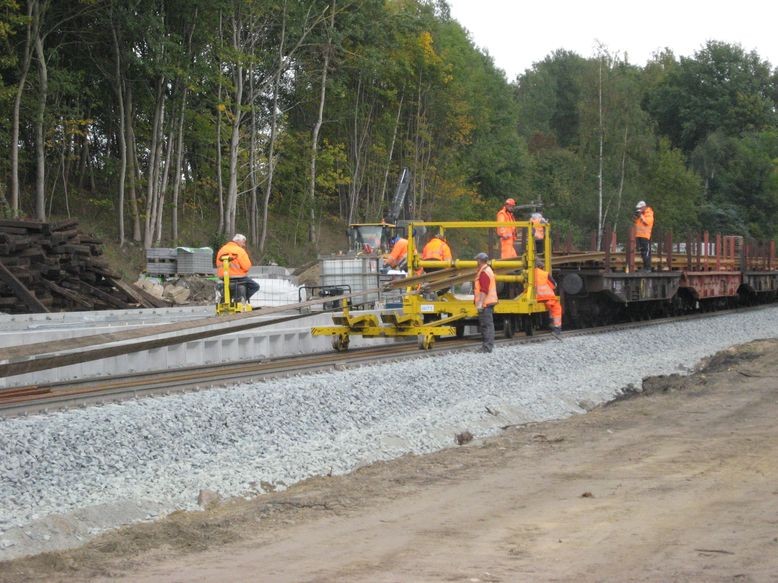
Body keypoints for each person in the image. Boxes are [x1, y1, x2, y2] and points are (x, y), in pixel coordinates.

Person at [215, 233, 259, 302]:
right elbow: (247, 266)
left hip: (223, 277)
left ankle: (227, 299)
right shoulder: (239, 250)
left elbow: (218, 264)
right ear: (238, 241)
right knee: (255, 286)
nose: (244, 245)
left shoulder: (222, 250)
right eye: (243, 242)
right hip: (237, 277)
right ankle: (240, 300)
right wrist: (243, 271)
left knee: (228, 287)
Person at [474, 252, 498, 352]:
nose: (476, 262)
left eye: (477, 260)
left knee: (486, 325)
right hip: (488, 302)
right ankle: (487, 346)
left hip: (486, 303)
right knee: (487, 325)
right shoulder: (487, 270)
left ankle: (487, 347)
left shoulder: (484, 272)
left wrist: (480, 303)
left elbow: (484, 290)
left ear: (480, 261)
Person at [534, 259, 562, 338]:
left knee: (550, 306)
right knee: (556, 308)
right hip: (546, 297)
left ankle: (550, 322)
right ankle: (556, 328)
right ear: (540, 266)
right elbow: (554, 285)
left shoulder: (528, 273)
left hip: (534, 297)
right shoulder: (544, 274)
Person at [633, 200, 654, 271]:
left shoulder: (649, 213)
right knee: (642, 252)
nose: (639, 210)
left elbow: (647, 222)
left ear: (644, 207)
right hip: (639, 235)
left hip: (645, 236)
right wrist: (636, 217)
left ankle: (648, 268)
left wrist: (641, 216)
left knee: (646, 252)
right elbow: (636, 224)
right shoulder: (641, 215)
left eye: (640, 208)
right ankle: (645, 267)